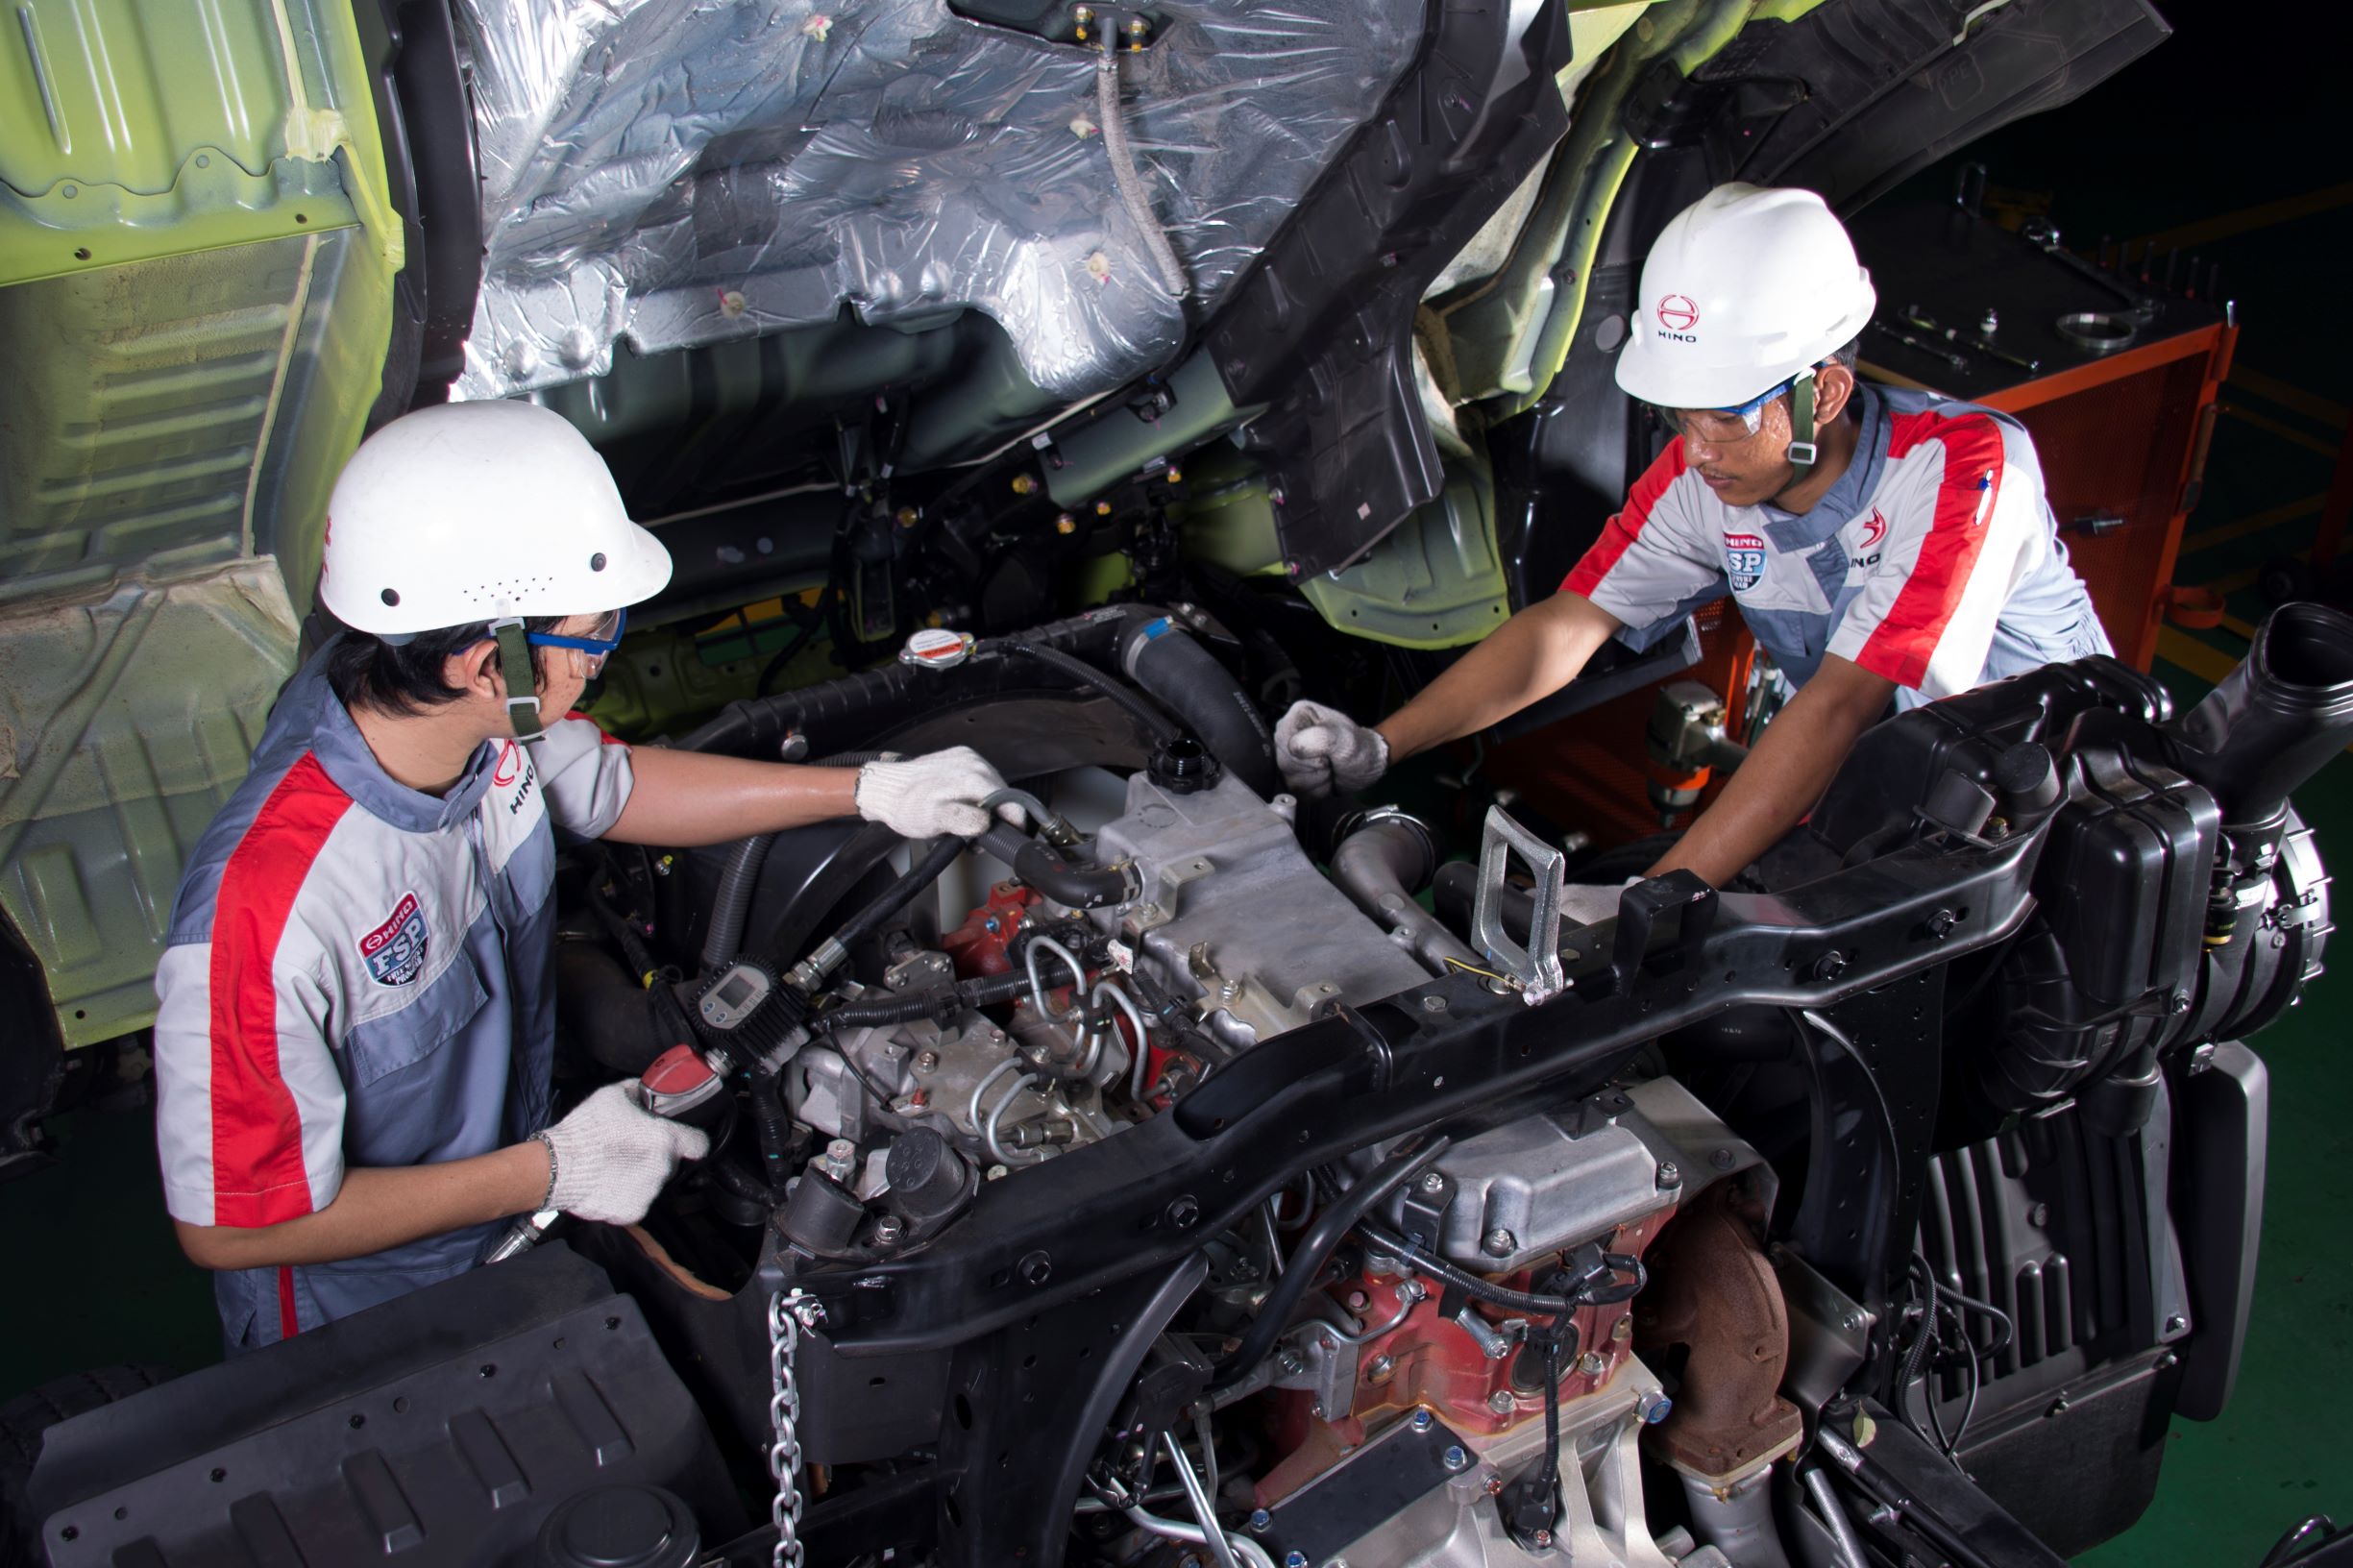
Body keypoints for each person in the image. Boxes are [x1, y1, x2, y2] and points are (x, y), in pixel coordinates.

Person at [154, 401, 1011, 1352]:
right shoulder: (268, 917)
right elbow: (232, 1227)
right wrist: (552, 1169)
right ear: (486, 663)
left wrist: (864, 791)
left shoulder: (454, 721)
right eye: (596, 636)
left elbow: (610, 782)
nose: (604, 663)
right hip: (371, 1320)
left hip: (513, 1211)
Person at [1275, 184, 2109, 904]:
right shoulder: (1701, 477)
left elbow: (1840, 703)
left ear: (1824, 391)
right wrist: (1384, 743)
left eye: (1726, 415)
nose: (1697, 447)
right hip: (1889, 796)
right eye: (1680, 414)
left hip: (2066, 806)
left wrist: (1657, 898)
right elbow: (1568, 625)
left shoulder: (1959, 467)